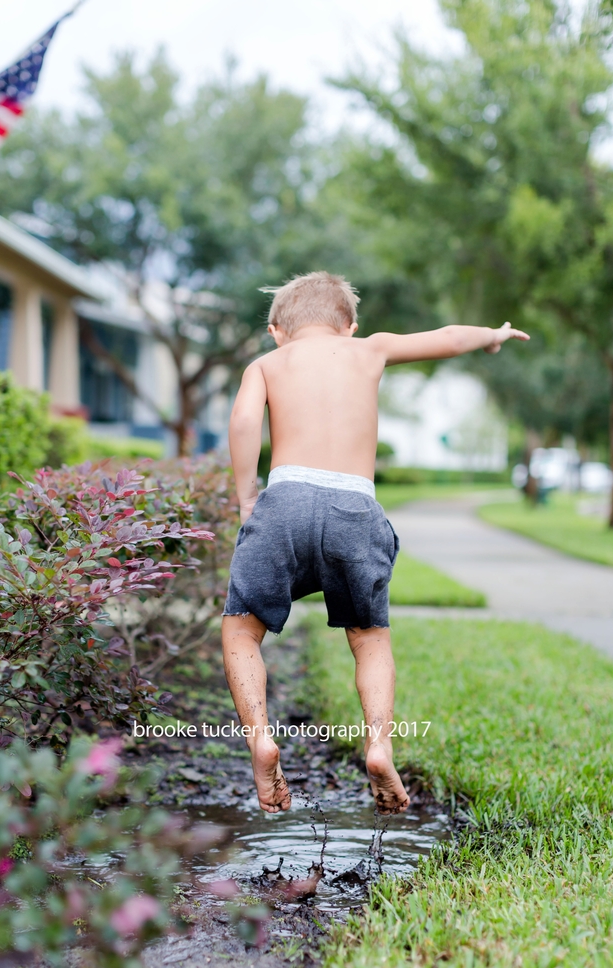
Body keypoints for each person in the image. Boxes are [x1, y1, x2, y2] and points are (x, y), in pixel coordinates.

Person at [221, 271, 528, 814]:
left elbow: (244, 421)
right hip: (355, 508)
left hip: (286, 499)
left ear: (276, 331)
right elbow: (449, 337)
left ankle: (260, 739)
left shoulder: (266, 364)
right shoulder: (370, 349)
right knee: (370, 639)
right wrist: (492, 334)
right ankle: (380, 746)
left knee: (242, 629)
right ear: (350, 326)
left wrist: (249, 498)